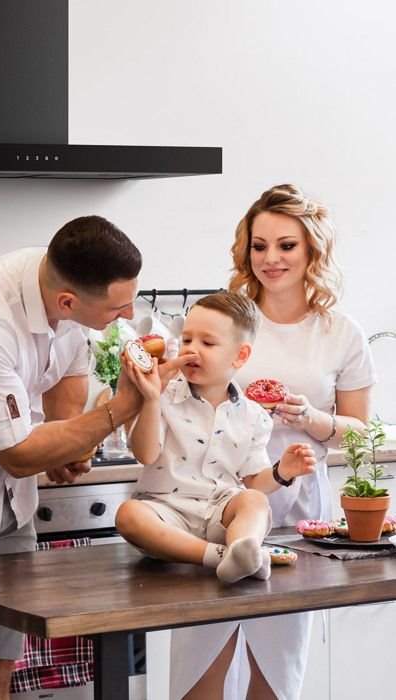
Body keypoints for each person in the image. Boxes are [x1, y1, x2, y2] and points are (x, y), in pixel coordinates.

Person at [0, 215, 192, 700]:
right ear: (67, 301)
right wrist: (125, 405)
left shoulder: (62, 291)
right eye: (118, 307)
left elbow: (67, 378)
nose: (128, 316)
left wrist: (66, 446)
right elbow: (19, 455)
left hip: (10, 504)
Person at [170, 184, 376, 700]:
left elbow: (361, 432)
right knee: (199, 669)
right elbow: (182, 397)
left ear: (312, 251)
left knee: (277, 675)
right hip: (215, 504)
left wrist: (311, 418)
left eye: (286, 245)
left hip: (297, 510)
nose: (270, 259)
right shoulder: (226, 319)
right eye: (259, 246)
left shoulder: (340, 332)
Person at [116, 291, 316, 584]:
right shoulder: (163, 396)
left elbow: (254, 481)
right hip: (166, 514)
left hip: (220, 513)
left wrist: (282, 472)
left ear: (240, 355)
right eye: (187, 340)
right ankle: (225, 557)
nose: (192, 350)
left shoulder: (254, 415)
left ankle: (242, 547)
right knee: (128, 514)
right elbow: (145, 455)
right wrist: (151, 398)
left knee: (253, 501)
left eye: (207, 343)